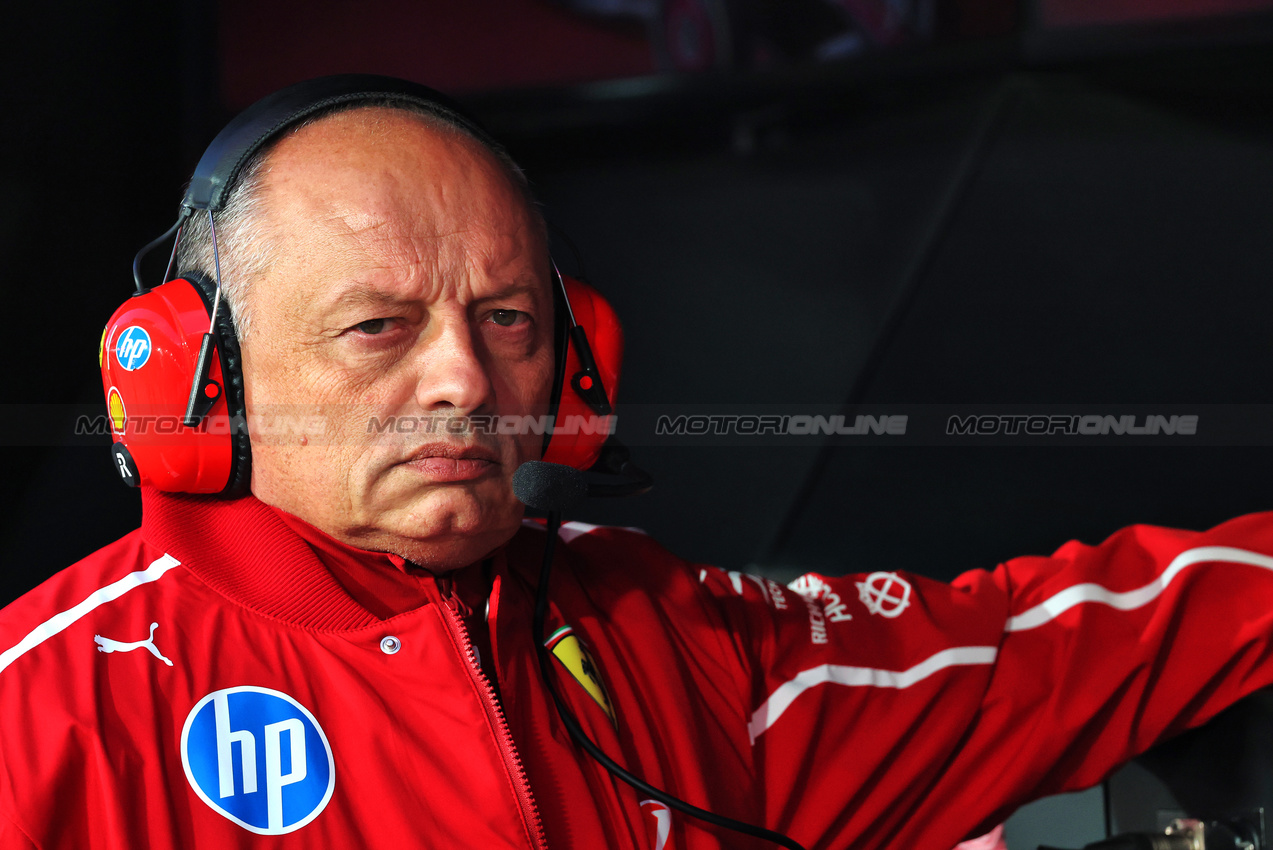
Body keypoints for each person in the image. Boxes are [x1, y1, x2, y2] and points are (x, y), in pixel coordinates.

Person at [3, 74, 1273, 850]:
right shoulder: (41, 719)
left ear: (578, 365)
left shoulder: (665, 627)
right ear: (192, 378)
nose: (462, 378)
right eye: (378, 326)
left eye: (507, 319)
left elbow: (1049, 646)